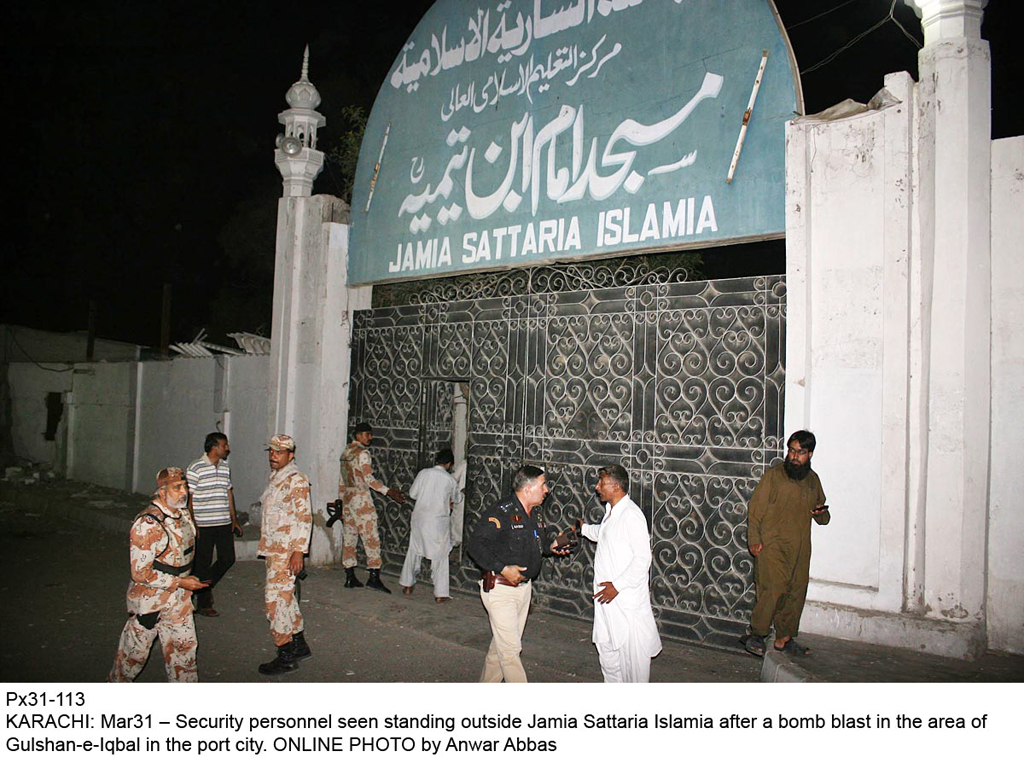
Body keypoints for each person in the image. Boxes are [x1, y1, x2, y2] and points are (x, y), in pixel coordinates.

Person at [467, 465, 569, 682]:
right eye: (543, 485)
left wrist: (553, 544)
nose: (547, 490)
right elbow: (476, 544)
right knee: (511, 652)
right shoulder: (501, 512)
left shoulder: (536, 513)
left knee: (501, 649)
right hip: (501, 590)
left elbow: (538, 542)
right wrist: (503, 568)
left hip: (523, 591)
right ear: (528, 488)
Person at [108, 467, 207, 682]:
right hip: (150, 601)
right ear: (162, 492)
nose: (183, 492)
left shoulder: (183, 514)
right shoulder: (148, 523)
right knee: (131, 660)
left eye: (185, 486)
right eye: (176, 487)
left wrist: (185, 580)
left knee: (185, 658)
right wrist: (180, 581)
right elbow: (140, 573)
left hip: (179, 600)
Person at [741, 430, 830, 657]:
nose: (794, 456)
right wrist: (754, 539)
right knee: (773, 590)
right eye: (791, 450)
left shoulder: (813, 481)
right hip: (772, 546)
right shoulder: (774, 477)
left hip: (799, 550)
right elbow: (755, 510)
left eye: (800, 452)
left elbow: (822, 515)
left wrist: (821, 514)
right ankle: (757, 634)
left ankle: (784, 638)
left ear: (810, 454)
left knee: (795, 592)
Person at [579, 464, 662, 682]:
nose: (597, 487)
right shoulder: (612, 513)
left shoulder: (631, 515)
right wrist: (584, 529)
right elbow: (605, 534)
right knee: (608, 658)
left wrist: (617, 586)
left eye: (601, 483)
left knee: (632, 666)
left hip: (625, 604)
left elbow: (642, 558)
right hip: (607, 603)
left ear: (616, 486)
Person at [257, 434, 313, 675]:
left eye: (278, 452)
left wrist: (298, 552)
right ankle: (298, 644)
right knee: (286, 598)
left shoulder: (296, 481)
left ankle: (285, 654)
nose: (273, 456)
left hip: (287, 551)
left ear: (290, 456)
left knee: (274, 602)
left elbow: (305, 518)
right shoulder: (277, 478)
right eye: (271, 451)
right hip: (275, 548)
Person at [338, 422, 406, 593]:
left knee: (349, 538)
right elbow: (369, 479)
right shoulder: (362, 454)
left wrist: (341, 500)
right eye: (367, 434)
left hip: (348, 499)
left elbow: (342, 479)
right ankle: (373, 577)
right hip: (361, 499)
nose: (370, 437)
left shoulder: (346, 452)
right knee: (371, 538)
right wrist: (388, 491)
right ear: (359, 435)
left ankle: (349, 575)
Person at [186, 432, 241, 617]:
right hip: (203, 524)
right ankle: (204, 602)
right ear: (214, 447)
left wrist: (234, 519)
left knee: (227, 558)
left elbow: (228, 493)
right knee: (203, 562)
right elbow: (189, 498)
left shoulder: (225, 467)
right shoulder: (196, 468)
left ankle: (198, 585)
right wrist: (192, 523)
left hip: (223, 522)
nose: (228, 448)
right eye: (224, 445)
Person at [399, 448, 460, 602]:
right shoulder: (450, 480)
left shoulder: (423, 473)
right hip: (438, 522)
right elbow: (457, 498)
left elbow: (413, 494)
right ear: (449, 464)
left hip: (419, 518)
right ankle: (440, 594)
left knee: (414, 550)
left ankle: (407, 585)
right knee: (440, 555)